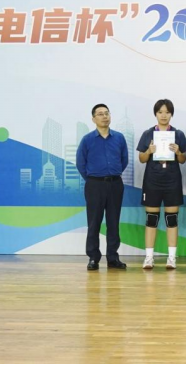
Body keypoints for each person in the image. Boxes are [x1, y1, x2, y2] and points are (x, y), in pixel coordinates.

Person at [76, 104, 129, 271]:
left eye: (107, 113)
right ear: (93, 119)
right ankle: (93, 257)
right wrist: (93, 179)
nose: (104, 116)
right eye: (100, 114)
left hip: (115, 184)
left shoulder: (119, 138)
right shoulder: (87, 140)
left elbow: (124, 160)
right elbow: (80, 163)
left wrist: (112, 174)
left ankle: (113, 257)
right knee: (94, 222)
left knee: (113, 222)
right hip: (94, 185)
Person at [138, 99, 186, 270]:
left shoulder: (178, 134)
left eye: (167, 112)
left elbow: (183, 159)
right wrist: (149, 151)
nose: (164, 115)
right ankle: (149, 257)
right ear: (156, 114)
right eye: (160, 112)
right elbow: (142, 158)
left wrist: (178, 151)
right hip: (152, 180)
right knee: (151, 219)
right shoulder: (148, 133)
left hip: (172, 180)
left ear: (171, 114)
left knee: (171, 219)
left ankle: (171, 258)